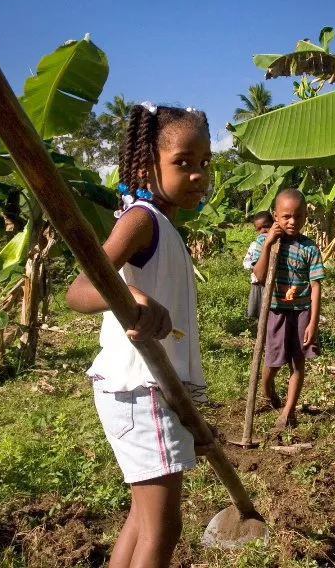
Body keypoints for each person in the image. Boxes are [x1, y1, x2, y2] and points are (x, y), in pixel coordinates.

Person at [66, 102, 211, 568]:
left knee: (143, 519)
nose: (197, 174)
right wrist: (132, 297)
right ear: (147, 163)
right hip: (140, 387)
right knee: (164, 529)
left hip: (149, 388)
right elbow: (80, 290)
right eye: (182, 162)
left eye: (204, 163)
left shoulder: (161, 224)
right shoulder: (141, 219)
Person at [251, 188, 324, 429]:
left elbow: (315, 287)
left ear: (305, 216)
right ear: (275, 216)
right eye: (286, 217)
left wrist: (313, 322)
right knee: (272, 362)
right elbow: (260, 276)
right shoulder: (265, 241)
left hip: (302, 311)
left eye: (299, 216)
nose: (293, 222)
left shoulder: (309, 248)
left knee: (297, 362)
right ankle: (268, 388)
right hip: (275, 310)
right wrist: (269, 243)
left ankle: (288, 412)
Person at [243, 211, 273, 319]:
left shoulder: (278, 243)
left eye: (266, 226)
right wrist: (256, 264)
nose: (263, 231)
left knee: (271, 312)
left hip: (273, 283)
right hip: (258, 284)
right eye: (259, 229)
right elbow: (246, 262)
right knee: (260, 311)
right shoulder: (255, 245)